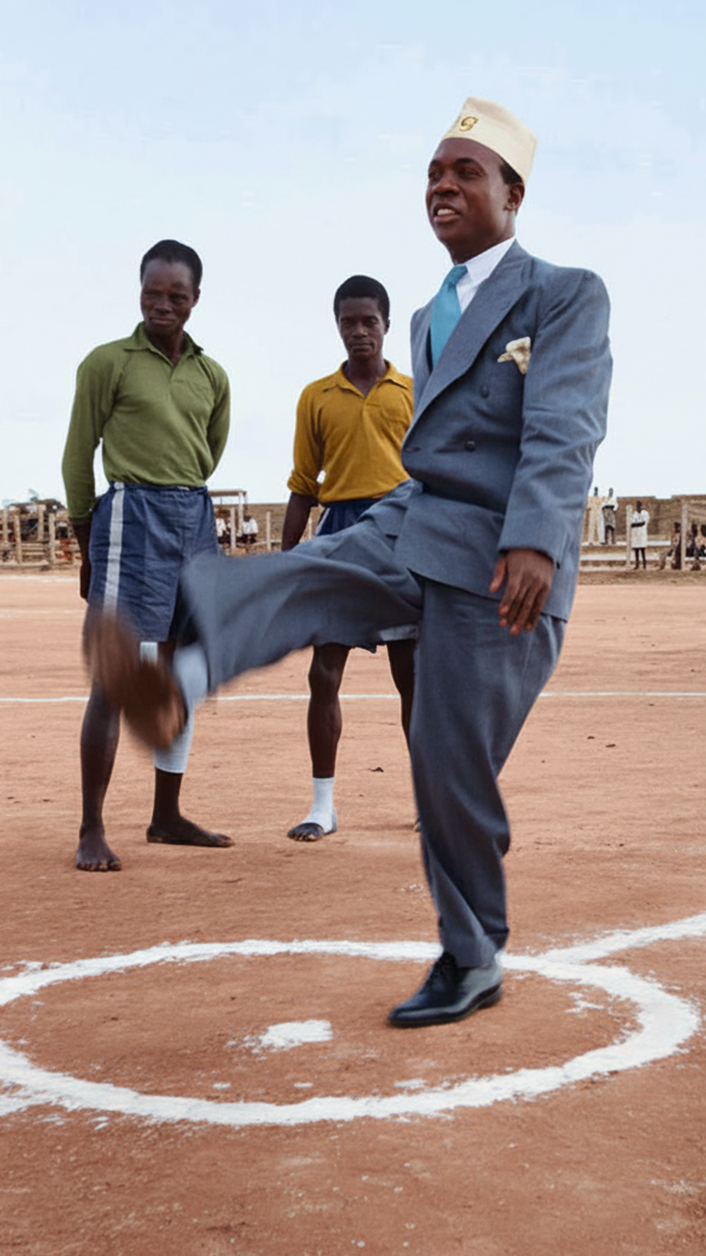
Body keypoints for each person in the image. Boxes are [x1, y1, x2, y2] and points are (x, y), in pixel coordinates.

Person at [89, 97, 612, 1026]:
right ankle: (180, 676)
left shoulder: (565, 292)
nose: (442, 187)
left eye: (465, 173)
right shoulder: (426, 313)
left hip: (502, 561)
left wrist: (537, 535)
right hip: (416, 514)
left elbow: (564, 426)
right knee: (304, 568)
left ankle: (472, 955)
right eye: (432, 174)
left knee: (447, 767)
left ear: (514, 191)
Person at [61, 239, 233, 872]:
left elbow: (208, 451)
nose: (164, 306)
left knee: (181, 672)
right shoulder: (107, 363)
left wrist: (185, 495)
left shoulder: (212, 375)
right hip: (131, 518)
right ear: (139, 291)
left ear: (195, 299)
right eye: (153, 294)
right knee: (115, 676)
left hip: (194, 517)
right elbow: (78, 455)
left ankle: (166, 815)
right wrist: (88, 542)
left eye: (177, 296)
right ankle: (91, 829)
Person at [281, 275, 415, 841]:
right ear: (337, 326)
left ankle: (430, 803)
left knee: (413, 681)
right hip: (339, 538)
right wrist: (286, 562)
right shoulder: (316, 396)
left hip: (402, 537)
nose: (359, 332)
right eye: (348, 322)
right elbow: (302, 485)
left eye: (369, 321)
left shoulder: (414, 390)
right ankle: (322, 805)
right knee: (323, 674)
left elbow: (435, 475)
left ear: (386, 323)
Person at [631, 501, 650, 569]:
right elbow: (632, 524)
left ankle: (644, 564)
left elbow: (643, 523)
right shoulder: (634, 514)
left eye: (639, 506)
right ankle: (637, 564)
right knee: (636, 550)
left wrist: (636, 524)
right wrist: (637, 524)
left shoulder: (645, 513)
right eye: (637, 506)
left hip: (642, 534)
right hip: (636, 534)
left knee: (642, 550)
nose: (638, 507)